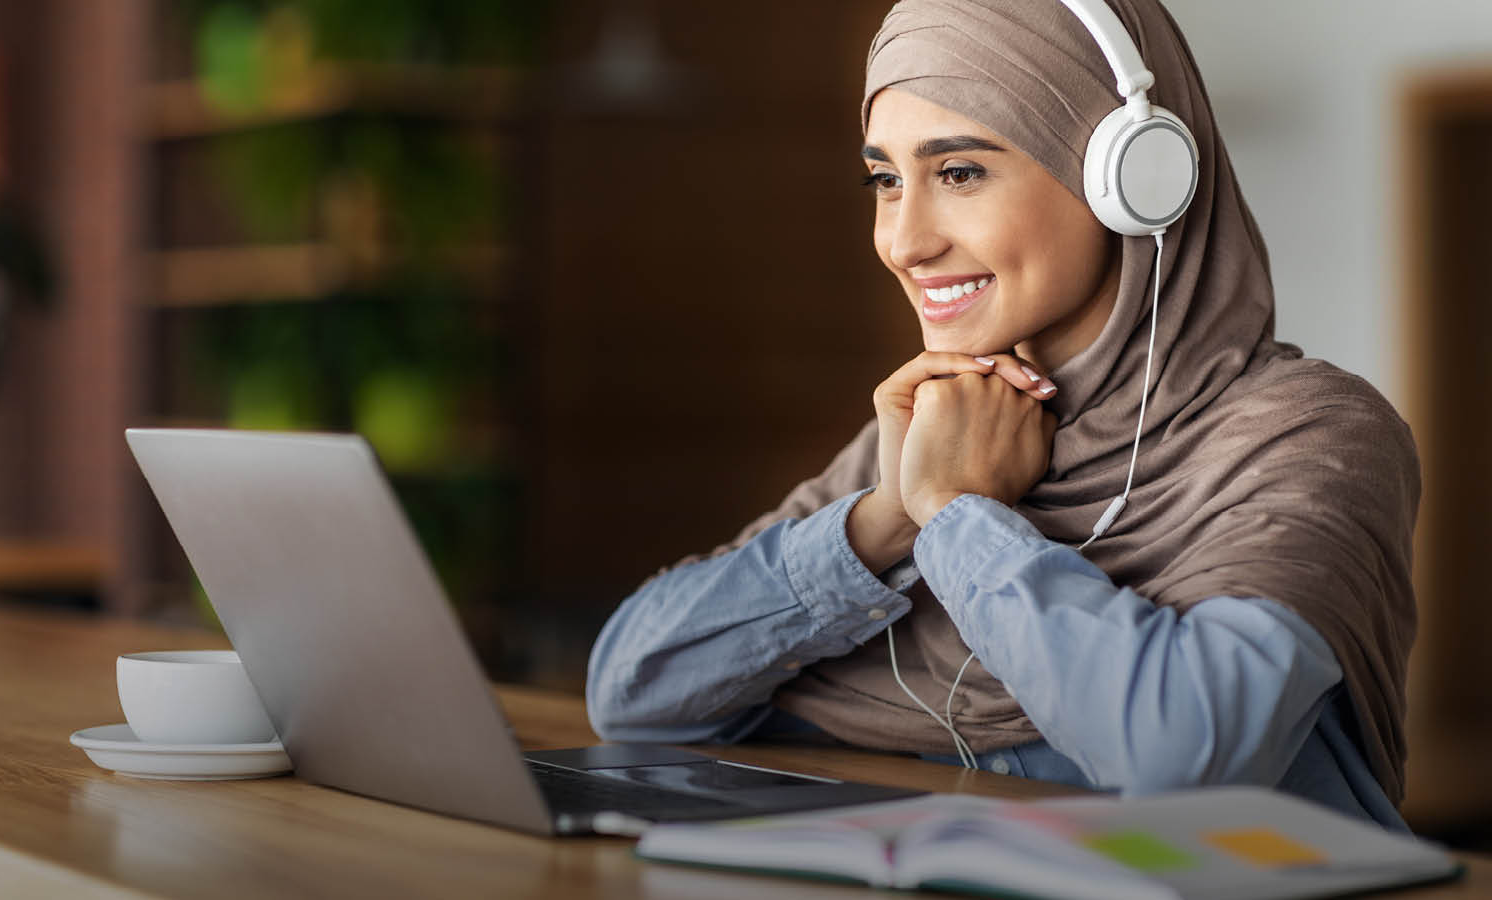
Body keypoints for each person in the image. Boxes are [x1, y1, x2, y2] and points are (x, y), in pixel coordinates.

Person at [584, 0, 1420, 832]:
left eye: (958, 173)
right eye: (885, 180)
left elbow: (1182, 751)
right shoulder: (935, 427)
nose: (903, 242)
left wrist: (955, 517)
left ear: (1133, 179)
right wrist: (881, 522)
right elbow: (632, 694)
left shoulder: (1307, 434)